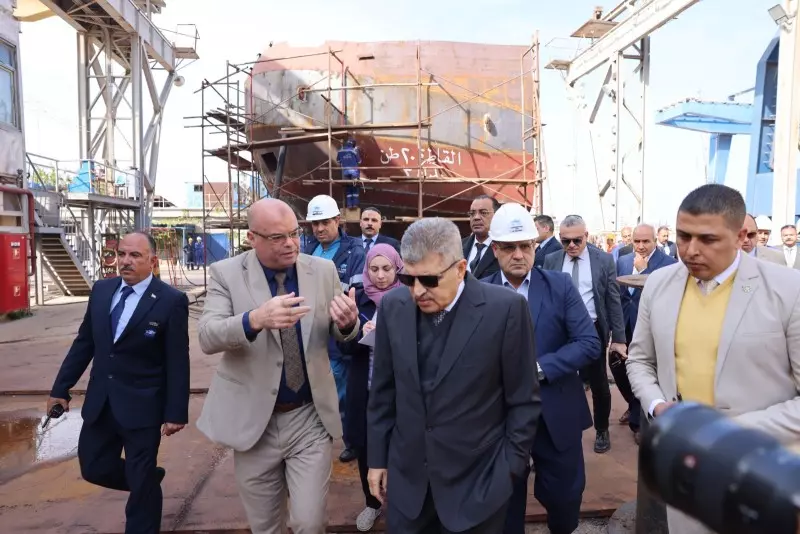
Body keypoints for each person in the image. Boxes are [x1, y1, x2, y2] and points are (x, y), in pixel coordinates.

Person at [625, 184, 800, 534]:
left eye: (707, 239)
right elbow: (639, 360)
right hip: (688, 478)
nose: (691, 250)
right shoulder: (658, 285)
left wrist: (722, 433)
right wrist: (658, 406)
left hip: (765, 476)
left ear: (740, 236)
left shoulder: (788, 289)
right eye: (683, 236)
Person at [196, 198, 360, 534]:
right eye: (277, 237)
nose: (290, 243)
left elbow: (339, 329)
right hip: (255, 422)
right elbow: (208, 336)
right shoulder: (226, 274)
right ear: (252, 238)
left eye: (294, 234)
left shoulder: (322, 271)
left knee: (309, 523)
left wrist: (347, 324)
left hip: (308, 416)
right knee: (265, 526)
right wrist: (253, 320)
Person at [367, 217, 541, 533]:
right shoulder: (393, 306)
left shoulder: (505, 310)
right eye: (408, 279)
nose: (418, 291)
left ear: (460, 269)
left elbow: (523, 401)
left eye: (429, 280)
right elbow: (383, 391)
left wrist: (508, 471)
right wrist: (378, 458)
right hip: (408, 487)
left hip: (478, 487)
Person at [47, 231, 190, 534]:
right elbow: (84, 343)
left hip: (143, 405)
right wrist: (61, 389)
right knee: (93, 467)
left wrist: (176, 411)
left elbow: (178, 360)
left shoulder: (171, 301)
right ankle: (147, 482)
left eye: (135, 255)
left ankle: (143, 491)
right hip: (101, 402)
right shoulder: (102, 291)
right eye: (121, 254)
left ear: (153, 261)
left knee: (140, 481)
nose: (125, 261)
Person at [481, 203, 600, 534]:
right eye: (509, 247)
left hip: (556, 409)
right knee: (504, 501)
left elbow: (588, 342)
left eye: (526, 246)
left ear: (535, 245)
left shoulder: (559, 286)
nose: (519, 255)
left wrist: (537, 368)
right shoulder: (479, 292)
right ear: (495, 249)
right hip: (500, 417)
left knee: (565, 496)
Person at [543, 215, 626, 453]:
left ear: (586, 236)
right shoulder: (551, 259)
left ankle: (602, 429)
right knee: (558, 381)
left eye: (577, 240)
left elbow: (612, 299)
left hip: (592, 328)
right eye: (565, 241)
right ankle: (560, 431)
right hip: (559, 330)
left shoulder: (603, 260)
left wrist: (619, 338)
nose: (571, 245)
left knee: (599, 383)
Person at [339, 243, 403, 531]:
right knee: (366, 448)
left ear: (397, 268)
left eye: (386, 269)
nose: (380, 275)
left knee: (401, 447)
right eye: (374, 269)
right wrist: (354, 330)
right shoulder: (358, 300)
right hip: (365, 387)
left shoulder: (409, 298)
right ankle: (372, 503)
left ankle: (401, 503)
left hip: (400, 391)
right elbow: (344, 347)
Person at [303, 194, 366, 463]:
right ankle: (319, 439)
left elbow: (357, 293)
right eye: (315, 223)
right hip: (311, 334)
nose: (319, 229)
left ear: (338, 220)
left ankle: (349, 441)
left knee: (342, 393)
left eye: (325, 222)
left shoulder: (355, 252)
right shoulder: (307, 250)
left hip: (339, 335)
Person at [615, 224, 677, 443]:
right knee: (621, 370)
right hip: (625, 324)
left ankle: (639, 421)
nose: (640, 246)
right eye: (637, 241)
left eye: (646, 241)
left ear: (655, 241)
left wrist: (643, 272)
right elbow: (620, 295)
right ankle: (633, 405)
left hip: (651, 327)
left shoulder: (669, 264)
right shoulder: (623, 260)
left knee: (645, 371)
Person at [462, 195, 501, 278]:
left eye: (483, 213)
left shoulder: (504, 248)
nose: (476, 217)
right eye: (472, 213)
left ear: (497, 216)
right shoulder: (458, 246)